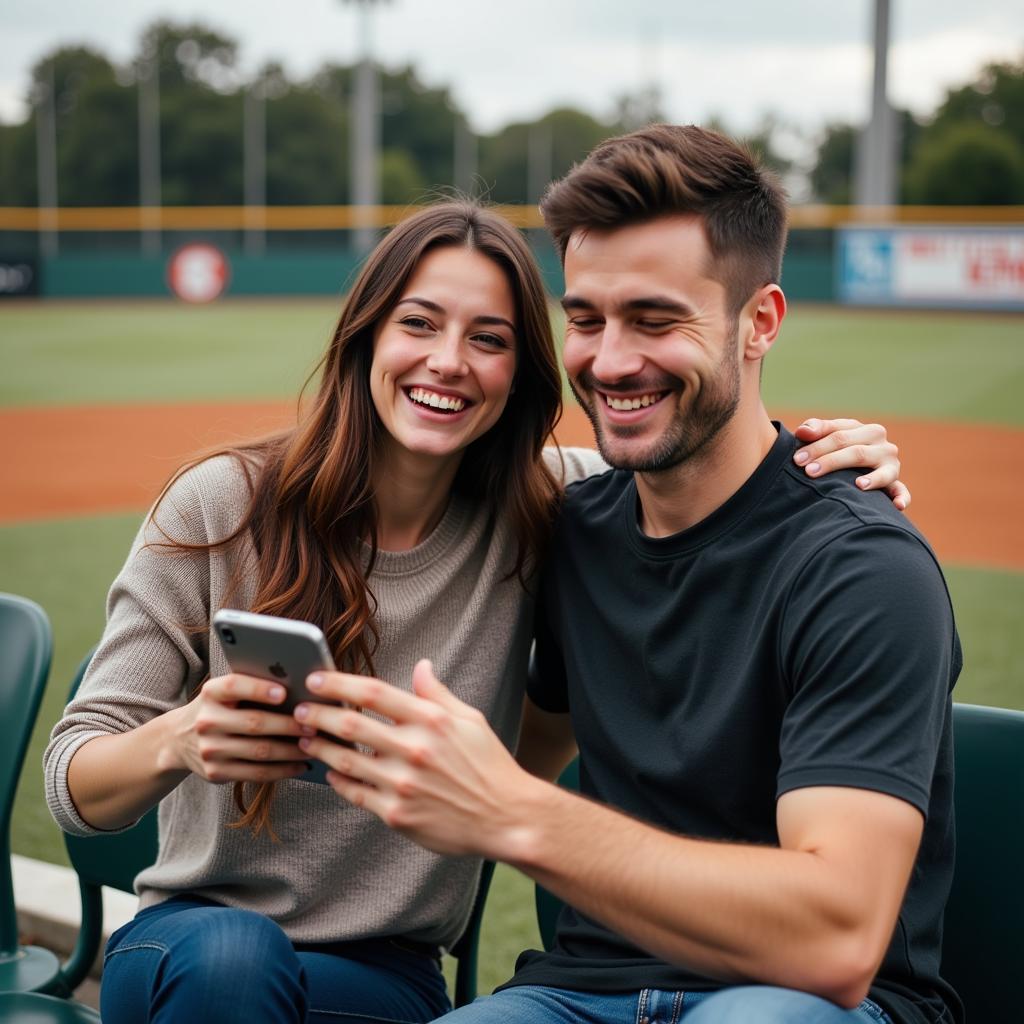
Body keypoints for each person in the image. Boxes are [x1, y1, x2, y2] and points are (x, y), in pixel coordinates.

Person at [46, 200, 908, 1024]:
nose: (448, 361)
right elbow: (75, 781)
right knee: (235, 962)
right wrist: (180, 738)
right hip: (187, 947)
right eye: (418, 324)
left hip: (382, 974)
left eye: (487, 339)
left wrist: (826, 451)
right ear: (367, 336)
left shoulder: (551, 509)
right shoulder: (220, 505)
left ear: (518, 372)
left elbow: (697, 461)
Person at [294, 129, 962, 1024]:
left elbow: (835, 943)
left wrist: (518, 815)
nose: (609, 362)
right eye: (585, 319)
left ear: (758, 322)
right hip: (580, 991)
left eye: (655, 320)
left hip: (804, 1001)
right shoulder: (572, 527)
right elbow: (513, 740)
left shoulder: (863, 569)